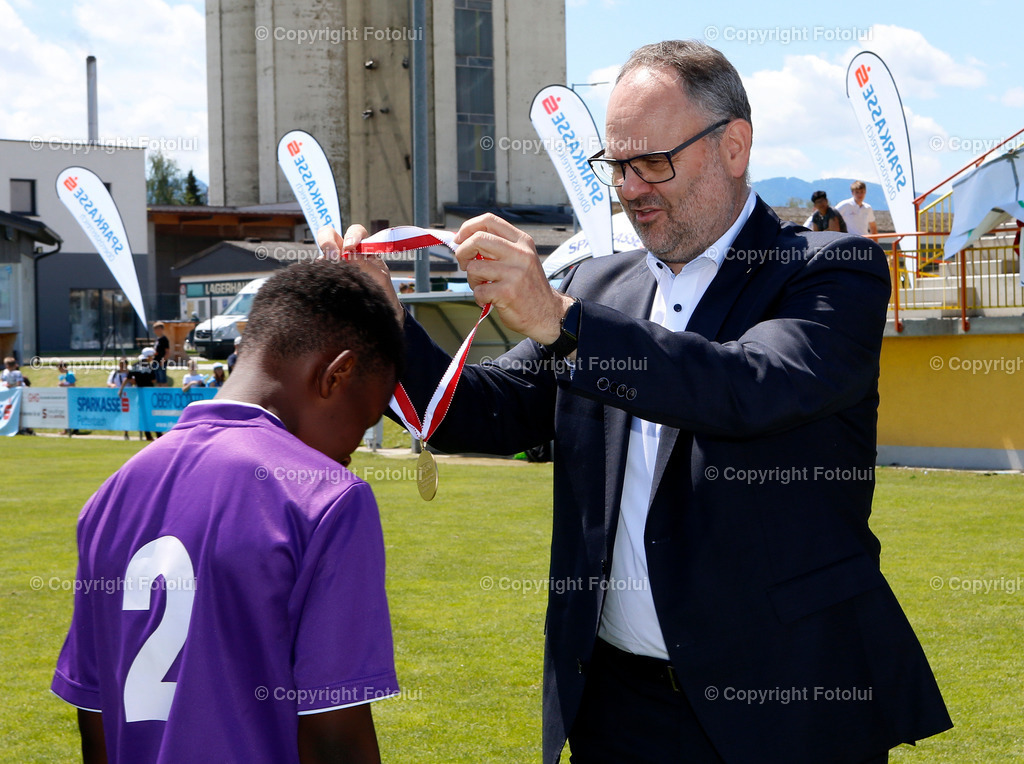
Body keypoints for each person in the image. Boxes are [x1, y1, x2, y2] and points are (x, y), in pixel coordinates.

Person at [321, 39, 951, 764]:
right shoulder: (597, 286)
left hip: (789, 706)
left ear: (735, 147)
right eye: (617, 165)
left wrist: (562, 322)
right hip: (616, 710)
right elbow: (479, 410)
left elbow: (750, 387)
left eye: (653, 161)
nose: (631, 187)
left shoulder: (829, 269)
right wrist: (380, 315)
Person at [52, 260, 405, 764]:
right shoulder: (327, 498)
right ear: (337, 374)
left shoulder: (107, 498)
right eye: (363, 420)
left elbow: (96, 719)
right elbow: (336, 737)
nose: (350, 452)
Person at [120, 348, 159, 441]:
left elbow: (128, 378)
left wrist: (121, 390)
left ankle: (148, 435)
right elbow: (154, 380)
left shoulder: (135, 365)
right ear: (148, 356)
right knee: (152, 414)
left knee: (143, 414)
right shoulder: (150, 367)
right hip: (149, 393)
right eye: (152, 356)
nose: (152, 358)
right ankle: (158, 434)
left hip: (140, 393)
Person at [107, 358, 131, 440]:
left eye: (123, 364)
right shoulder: (114, 373)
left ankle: (126, 433)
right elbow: (109, 382)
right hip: (116, 397)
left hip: (127, 397)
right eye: (120, 364)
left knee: (126, 415)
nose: (121, 366)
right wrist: (112, 385)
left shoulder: (129, 373)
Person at [152, 322, 170, 386]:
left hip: (161, 363)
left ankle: (165, 391)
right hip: (155, 362)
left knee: (163, 380)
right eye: (154, 329)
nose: (155, 331)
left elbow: (167, 352)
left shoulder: (164, 339)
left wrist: (162, 361)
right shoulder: (157, 339)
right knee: (158, 381)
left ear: (161, 329)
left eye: (156, 329)